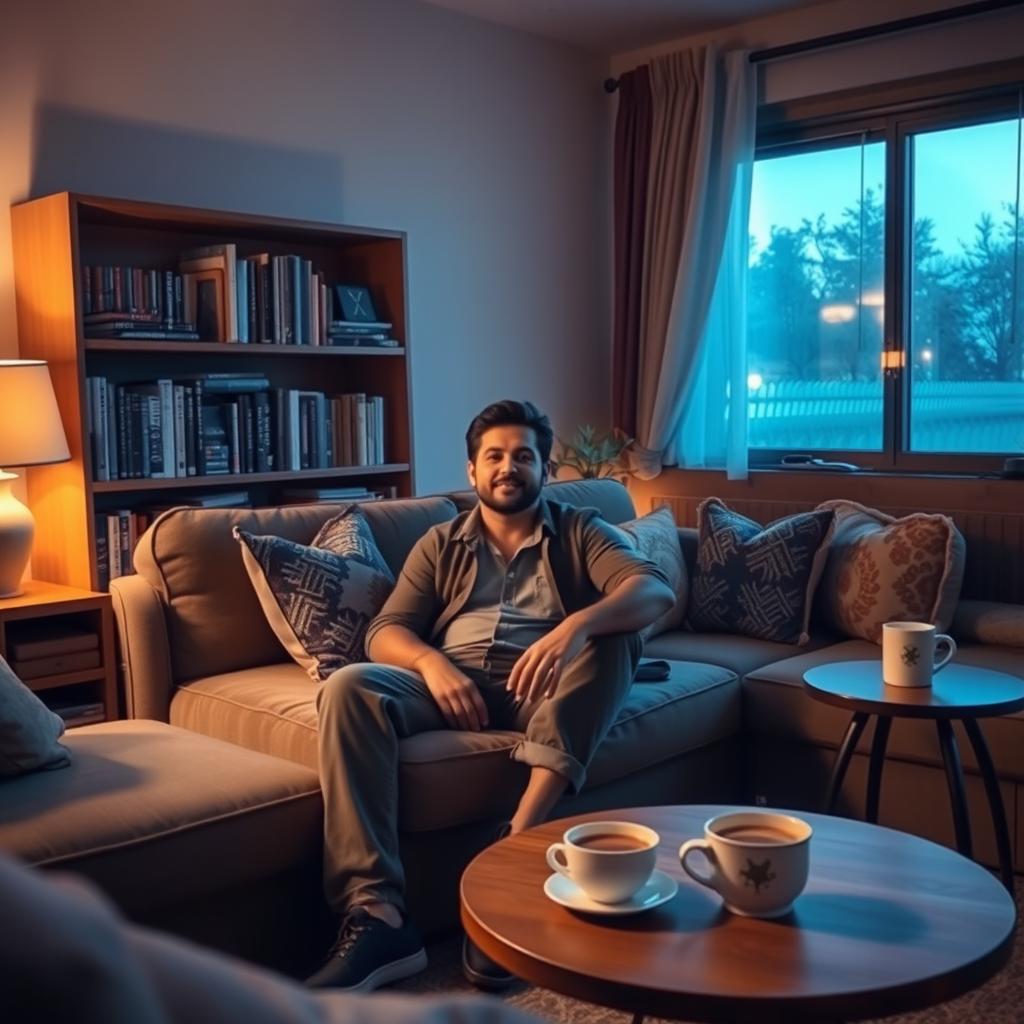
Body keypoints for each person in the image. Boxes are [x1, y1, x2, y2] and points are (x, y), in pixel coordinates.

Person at [307, 400, 675, 993]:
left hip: (545, 689)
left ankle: (512, 852)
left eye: (523, 456)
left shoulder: (581, 530)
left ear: (544, 471)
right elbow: (385, 631)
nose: (509, 467)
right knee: (350, 686)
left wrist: (575, 626)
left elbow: (652, 590)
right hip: (450, 686)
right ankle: (378, 917)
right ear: (473, 470)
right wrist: (430, 662)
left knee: (616, 639)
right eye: (495, 456)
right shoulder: (439, 542)